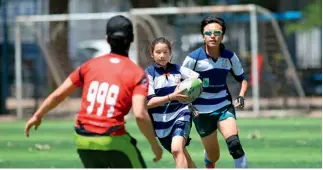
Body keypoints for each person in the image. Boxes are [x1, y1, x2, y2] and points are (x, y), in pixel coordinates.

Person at [24, 15, 163, 168]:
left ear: (107, 39)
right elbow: (140, 114)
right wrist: (154, 145)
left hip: (83, 139)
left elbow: (59, 94)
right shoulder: (137, 74)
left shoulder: (88, 65)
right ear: (131, 39)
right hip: (112, 139)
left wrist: (38, 115)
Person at [182, 16, 248, 168]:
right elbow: (179, 82)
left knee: (234, 145)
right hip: (201, 112)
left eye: (217, 32)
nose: (212, 36)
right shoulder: (193, 58)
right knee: (213, 156)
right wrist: (188, 104)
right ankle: (209, 160)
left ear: (222, 36)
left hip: (223, 106)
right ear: (203, 36)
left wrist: (241, 96)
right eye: (208, 33)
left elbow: (242, 79)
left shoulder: (230, 57)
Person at [145, 37, 199, 168]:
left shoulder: (178, 70)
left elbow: (198, 80)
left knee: (176, 149)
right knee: (182, 155)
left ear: (170, 54)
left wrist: (193, 97)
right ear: (152, 54)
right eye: (158, 52)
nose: (162, 55)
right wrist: (171, 96)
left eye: (165, 52)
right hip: (161, 123)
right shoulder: (148, 74)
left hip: (181, 114)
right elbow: (149, 102)